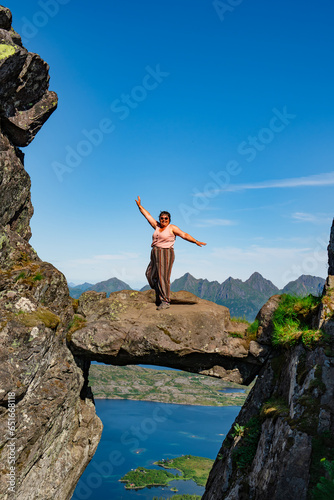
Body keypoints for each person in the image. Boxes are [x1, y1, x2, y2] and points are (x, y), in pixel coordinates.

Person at [135, 196, 206, 310]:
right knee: (149, 274)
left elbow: (184, 235)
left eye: (166, 218)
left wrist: (195, 241)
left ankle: (165, 301)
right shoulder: (157, 226)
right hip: (154, 252)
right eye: (162, 218)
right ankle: (159, 292)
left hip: (166, 253)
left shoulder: (171, 228)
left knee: (163, 276)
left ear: (169, 220)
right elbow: (147, 216)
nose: (163, 220)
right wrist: (140, 207)